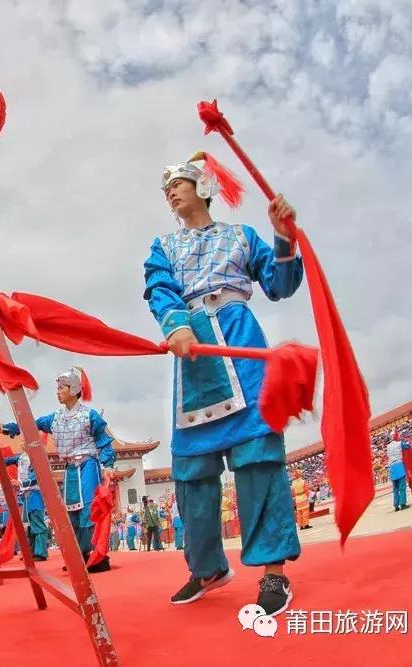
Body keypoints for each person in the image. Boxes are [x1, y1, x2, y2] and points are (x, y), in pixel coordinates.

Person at [144, 152, 303, 616]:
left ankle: (274, 571)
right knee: (191, 469)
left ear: (204, 188)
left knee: (257, 455)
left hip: (237, 336)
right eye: (167, 187)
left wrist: (283, 236)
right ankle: (208, 567)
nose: (172, 191)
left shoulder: (242, 236)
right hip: (193, 350)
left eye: (181, 182)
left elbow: (279, 284)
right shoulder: (163, 246)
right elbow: (159, 287)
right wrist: (175, 325)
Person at [3, 366, 116, 573]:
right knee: (71, 511)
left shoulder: (89, 415)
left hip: (88, 465)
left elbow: (104, 441)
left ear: (73, 389)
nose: (58, 391)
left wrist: (108, 465)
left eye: (61, 387)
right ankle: (79, 555)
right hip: (70, 469)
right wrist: (8, 427)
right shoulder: (54, 418)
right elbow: (31, 423)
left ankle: (95, 556)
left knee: (89, 510)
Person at [14, 450, 50, 561]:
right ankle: (32, 551)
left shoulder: (37, 462)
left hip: (35, 496)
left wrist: (20, 483)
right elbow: (8, 459)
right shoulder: (23, 458)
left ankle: (41, 553)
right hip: (27, 497)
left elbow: (34, 479)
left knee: (37, 524)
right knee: (29, 526)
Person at [386, 431, 411, 511]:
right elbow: (407, 446)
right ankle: (402, 504)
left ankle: (396, 506)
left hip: (392, 467)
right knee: (402, 487)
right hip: (399, 466)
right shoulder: (400, 443)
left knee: (395, 488)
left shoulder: (388, 446)